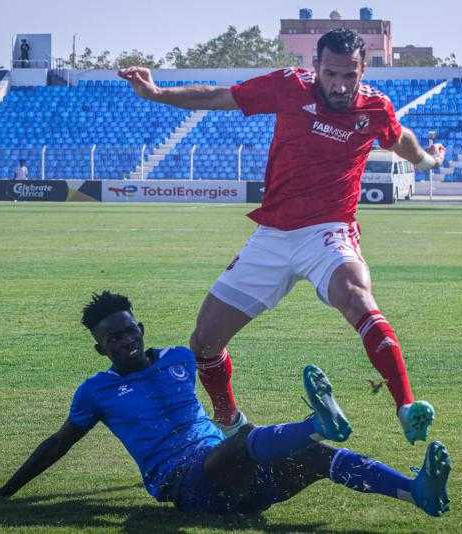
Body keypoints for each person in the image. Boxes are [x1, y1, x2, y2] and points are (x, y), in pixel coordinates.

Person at [118, 28, 445, 445]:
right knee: (204, 340)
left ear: (364, 69)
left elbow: (402, 142)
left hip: (328, 229)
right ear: (316, 68)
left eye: (351, 75)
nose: (341, 85)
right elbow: (221, 97)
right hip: (272, 235)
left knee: (357, 295)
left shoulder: (375, 109)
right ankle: (231, 422)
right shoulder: (289, 87)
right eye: (331, 74)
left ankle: (405, 405)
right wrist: (158, 94)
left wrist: (428, 161)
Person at [0, 291, 453, 518]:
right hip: (188, 486)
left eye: (127, 331)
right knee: (244, 442)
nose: (123, 342)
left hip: (241, 485)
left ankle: (416, 492)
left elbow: (221, 383)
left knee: (314, 458)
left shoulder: (181, 358)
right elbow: (58, 445)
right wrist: (8, 490)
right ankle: (315, 422)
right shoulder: (96, 391)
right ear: (100, 348)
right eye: (110, 339)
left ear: (141, 330)